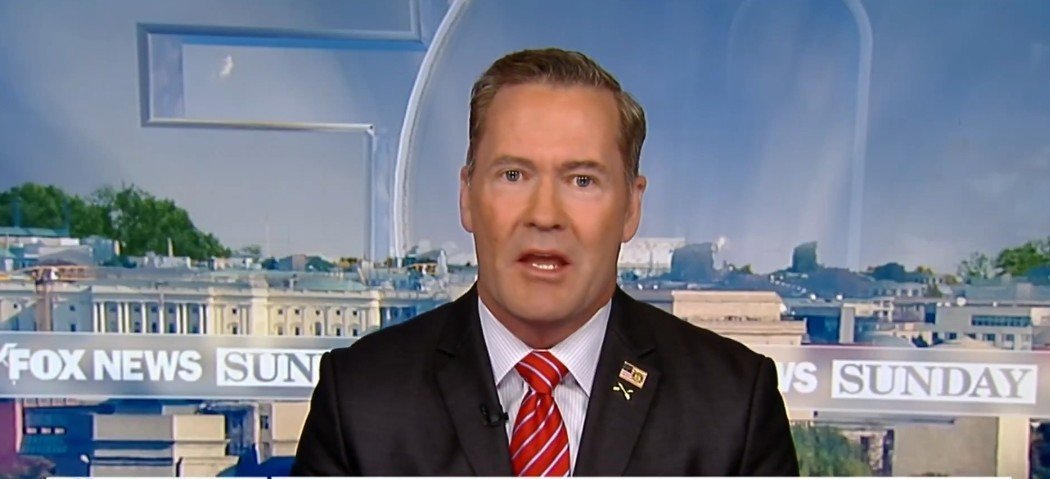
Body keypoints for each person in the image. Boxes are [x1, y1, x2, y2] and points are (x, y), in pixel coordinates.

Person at [292, 48, 799, 476]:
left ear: (631, 207)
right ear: (467, 196)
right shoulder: (361, 399)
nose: (544, 215)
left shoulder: (732, 406)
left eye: (582, 180)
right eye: (513, 175)